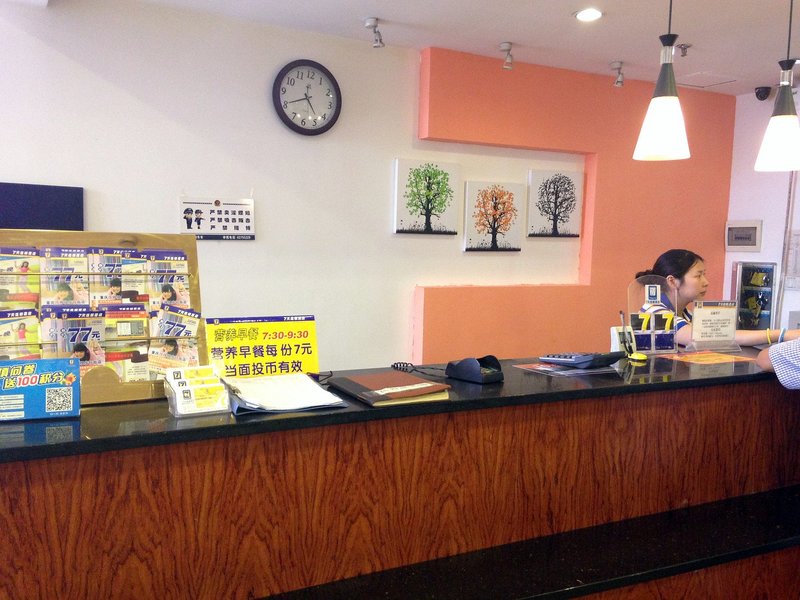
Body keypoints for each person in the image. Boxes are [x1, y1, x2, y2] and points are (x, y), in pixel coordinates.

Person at [636, 249, 800, 347]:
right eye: (698, 276)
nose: (705, 282)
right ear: (672, 281)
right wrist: (781, 335)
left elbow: (724, 335)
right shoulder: (654, 313)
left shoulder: (684, 314)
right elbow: (709, 337)